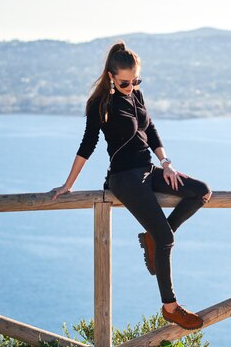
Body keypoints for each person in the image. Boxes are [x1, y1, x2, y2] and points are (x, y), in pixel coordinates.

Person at [50, 41, 212, 330]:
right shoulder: (100, 104)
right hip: (124, 178)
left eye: (136, 80)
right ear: (112, 76)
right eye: (126, 82)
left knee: (201, 191)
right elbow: (87, 144)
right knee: (167, 240)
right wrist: (68, 184)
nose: (131, 86)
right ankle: (170, 307)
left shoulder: (136, 94)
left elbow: (149, 129)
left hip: (150, 169)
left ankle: (154, 238)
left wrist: (166, 163)